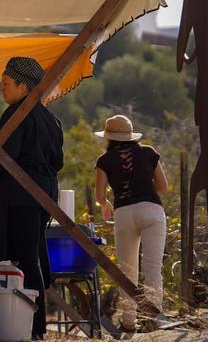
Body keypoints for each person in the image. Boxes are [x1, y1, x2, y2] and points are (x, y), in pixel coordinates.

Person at [0, 56, 63, 340]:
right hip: (42, 193)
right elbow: (57, 160)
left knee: (24, 260)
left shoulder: (17, 115)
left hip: (21, 195)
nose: (1, 89)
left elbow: (1, 154)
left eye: (6, 84)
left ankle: (33, 326)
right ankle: (34, 326)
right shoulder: (51, 119)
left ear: (23, 86)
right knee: (34, 255)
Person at [95, 115, 168, 332]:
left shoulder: (104, 160)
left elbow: (100, 195)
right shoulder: (148, 153)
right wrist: (144, 192)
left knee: (127, 271)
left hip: (124, 212)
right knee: (153, 267)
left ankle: (129, 322)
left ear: (109, 137)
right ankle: (156, 319)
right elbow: (163, 188)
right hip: (152, 210)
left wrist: (105, 203)